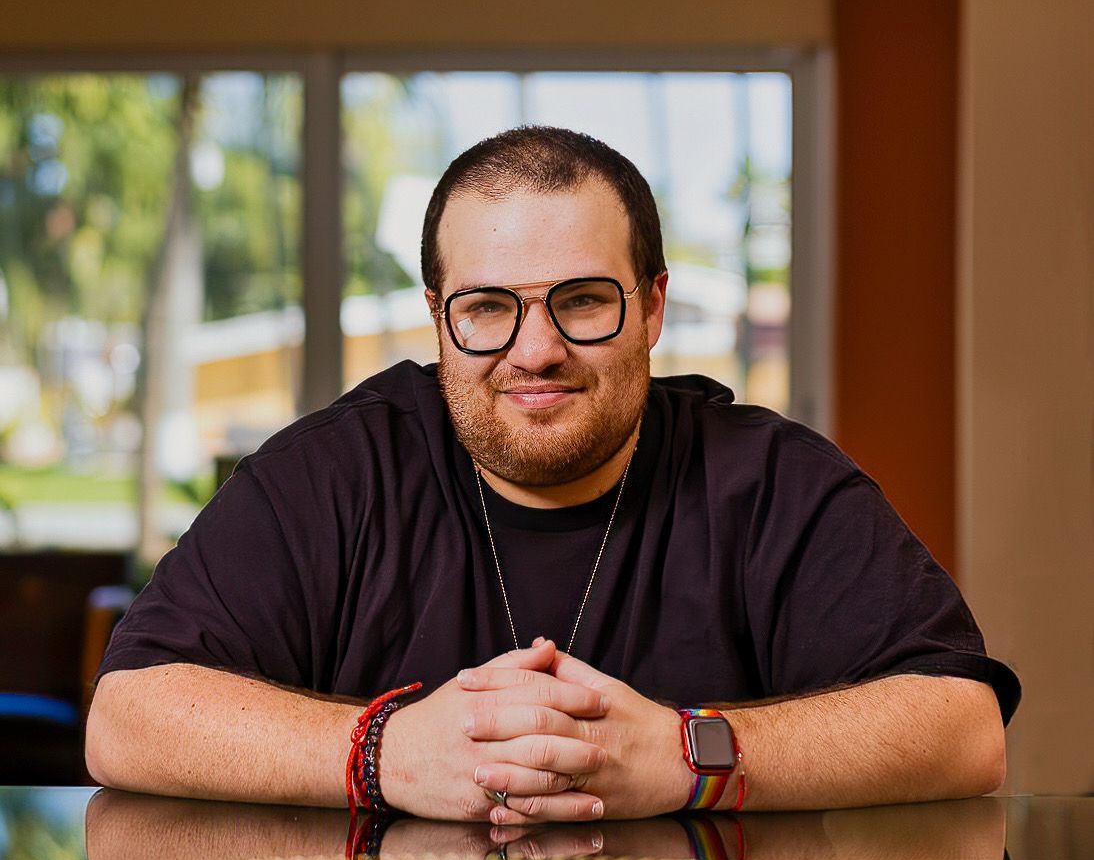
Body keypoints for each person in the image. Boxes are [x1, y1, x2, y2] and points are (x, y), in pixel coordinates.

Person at [86, 126, 1019, 820]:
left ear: (652, 307)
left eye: (581, 301)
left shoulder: (769, 478)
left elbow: (962, 728)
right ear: (437, 315)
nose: (535, 351)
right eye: (488, 307)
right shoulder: (336, 470)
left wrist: (695, 753)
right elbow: (126, 718)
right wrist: (383, 752)